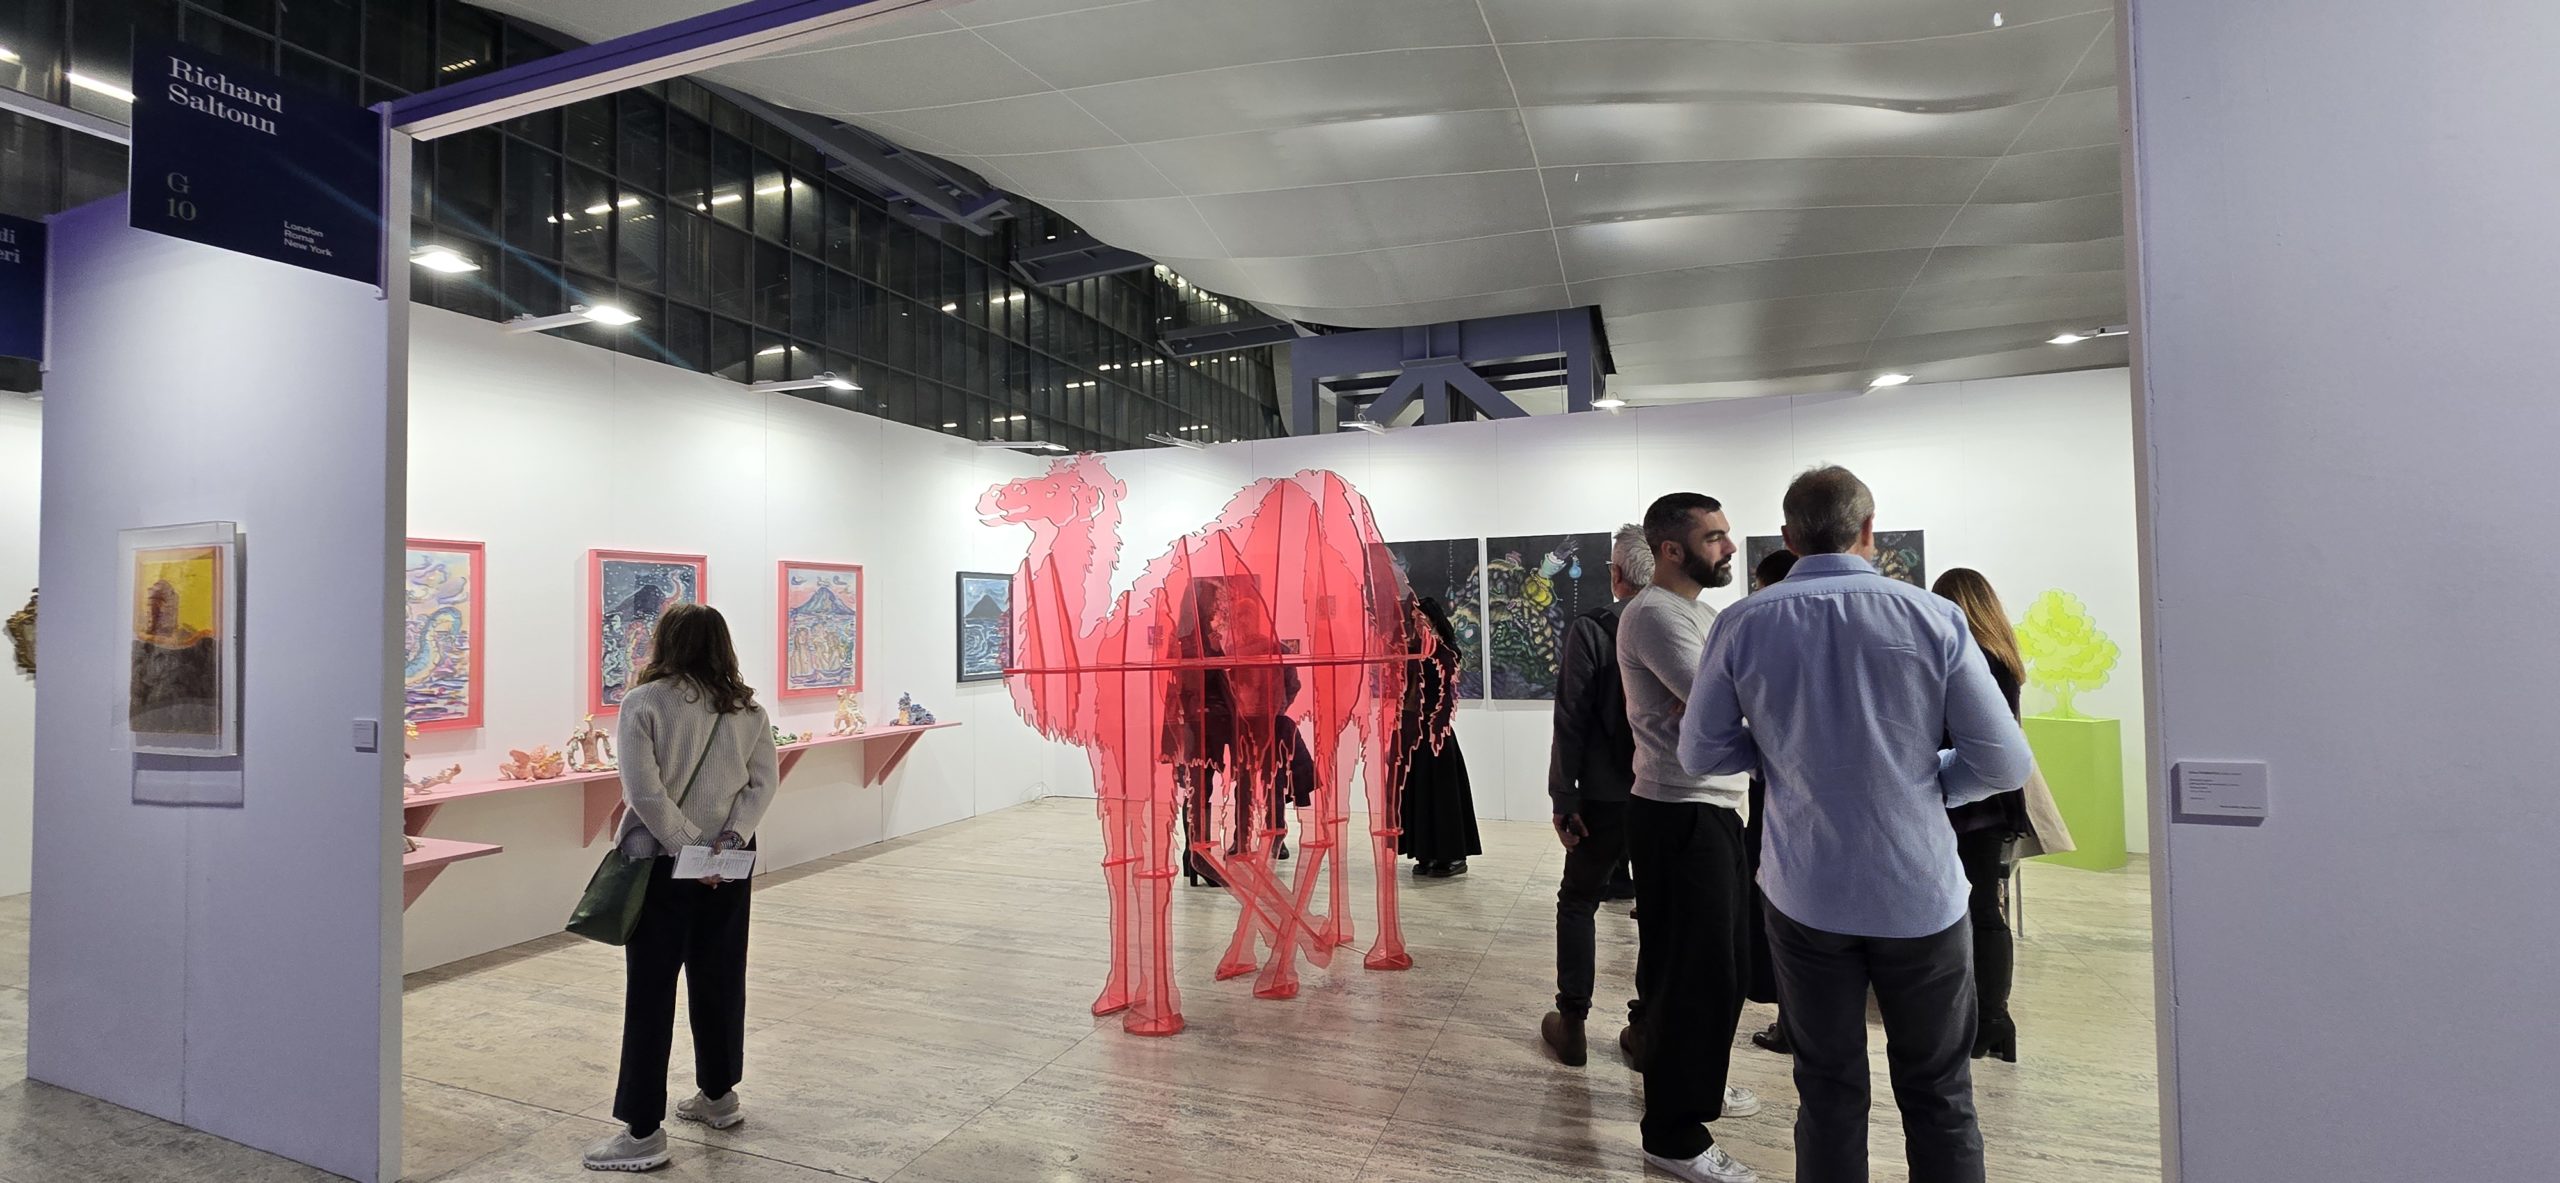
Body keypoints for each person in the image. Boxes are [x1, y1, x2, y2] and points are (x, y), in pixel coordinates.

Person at [1681, 467, 2033, 1183]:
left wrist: (1778, 758)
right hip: (1919, 889)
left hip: (1805, 888)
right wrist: (1928, 783)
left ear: (1788, 537)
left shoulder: (1742, 623)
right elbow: (2003, 760)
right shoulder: (1932, 617)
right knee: (1940, 1094)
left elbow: (1700, 752)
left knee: (1828, 1091)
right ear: (1869, 529)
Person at [584, 603, 783, 1173]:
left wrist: (688, 849)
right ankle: (719, 1097)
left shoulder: (644, 702)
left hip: (661, 863)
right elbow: (762, 784)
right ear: (723, 644)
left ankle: (643, 1131)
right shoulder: (747, 708)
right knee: (721, 976)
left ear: (665, 642)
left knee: (650, 993)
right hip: (729, 863)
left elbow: (643, 792)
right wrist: (725, 842)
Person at [1617, 492, 1761, 1183]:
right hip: (1678, 813)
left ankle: (1701, 1081)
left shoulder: (1702, 613)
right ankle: (1672, 1134)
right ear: (1671, 549)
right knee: (1691, 977)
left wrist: (1725, 696)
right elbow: (1722, 706)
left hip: (1715, 808)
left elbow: (1727, 698)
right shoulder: (1653, 613)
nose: (1729, 547)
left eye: (1726, 533)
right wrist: (1725, 697)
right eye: (1714, 537)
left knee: (1723, 968)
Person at [1931, 567, 2057, 1063]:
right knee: (1983, 908)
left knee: (1977, 910)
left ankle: (1989, 1019)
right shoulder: (2002, 655)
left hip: (1973, 803)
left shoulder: (1975, 659)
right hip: (1992, 802)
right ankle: (1992, 1019)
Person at [1539, 523, 1652, 1066]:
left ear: (1617, 573)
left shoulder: (1595, 627)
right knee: (1657, 911)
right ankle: (1646, 1028)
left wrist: (1563, 797)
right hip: (1664, 795)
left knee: (1579, 900)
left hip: (1604, 796)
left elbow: (1571, 718)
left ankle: (1573, 1024)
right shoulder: (1686, 623)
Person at [1743, 546, 1798, 1057]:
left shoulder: (1758, 636)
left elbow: (1704, 742)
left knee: (1781, 909)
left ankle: (1791, 1019)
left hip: (1777, 797)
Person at [1397, 596, 1480, 877]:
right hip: (1414, 733)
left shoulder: (1444, 652)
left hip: (1436, 733)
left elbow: (1442, 691)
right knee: (1420, 793)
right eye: (1412, 620)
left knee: (1442, 795)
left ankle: (1451, 855)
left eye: (1420, 619)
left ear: (1432, 621)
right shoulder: (1411, 651)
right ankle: (1426, 853)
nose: (1414, 625)